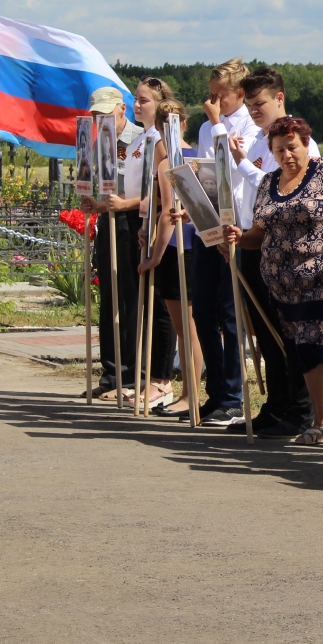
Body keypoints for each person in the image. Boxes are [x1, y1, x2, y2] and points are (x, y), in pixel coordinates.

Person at [228, 116, 323, 447]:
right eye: (279, 150)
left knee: (322, 346)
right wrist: (238, 237)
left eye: (291, 147)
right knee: (302, 349)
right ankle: (322, 421)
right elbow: (257, 235)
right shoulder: (268, 183)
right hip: (285, 286)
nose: (286, 155)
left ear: (305, 143)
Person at [228, 66, 322, 438]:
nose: (254, 111)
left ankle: (298, 409)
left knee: (287, 330)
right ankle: (277, 404)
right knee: (266, 332)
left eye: (260, 103)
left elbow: (284, 188)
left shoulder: (300, 141)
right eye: (249, 105)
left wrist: (241, 167)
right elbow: (246, 192)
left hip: (283, 247)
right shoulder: (257, 141)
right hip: (253, 238)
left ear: (279, 98)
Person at [191, 58, 257, 428]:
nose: (214, 102)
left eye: (222, 96)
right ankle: (215, 389)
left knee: (230, 316)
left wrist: (217, 124)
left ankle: (232, 395)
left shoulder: (246, 126)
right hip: (209, 223)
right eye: (211, 95)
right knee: (204, 310)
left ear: (239, 94)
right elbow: (208, 170)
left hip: (237, 224)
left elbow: (230, 164)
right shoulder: (206, 127)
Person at [139, 98, 204, 419]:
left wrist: (154, 256)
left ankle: (190, 394)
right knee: (191, 327)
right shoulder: (198, 157)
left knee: (186, 329)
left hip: (181, 248)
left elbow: (168, 214)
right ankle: (188, 393)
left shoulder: (169, 163)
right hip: (198, 246)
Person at [80, 85, 144, 401]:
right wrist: (95, 204)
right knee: (109, 297)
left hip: (134, 224)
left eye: (106, 113)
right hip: (109, 223)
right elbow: (105, 191)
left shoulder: (141, 139)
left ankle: (133, 375)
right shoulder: (100, 143)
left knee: (131, 299)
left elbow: (151, 191)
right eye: (96, 115)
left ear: (122, 108)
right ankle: (111, 373)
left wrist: (122, 205)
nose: (100, 119)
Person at [124, 77, 178, 412]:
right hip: (142, 221)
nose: (137, 104)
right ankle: (148, 376)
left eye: (144, 100)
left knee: (161, 305)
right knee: (148, 302)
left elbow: (162, 184)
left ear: (159, 103)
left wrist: (151, 217)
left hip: (155, 219)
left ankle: (161, 377)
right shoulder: (142, 136)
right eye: (135, 99)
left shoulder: (159, 138)